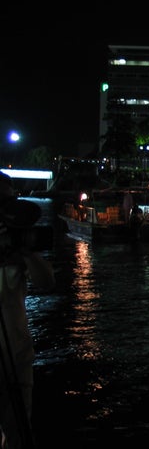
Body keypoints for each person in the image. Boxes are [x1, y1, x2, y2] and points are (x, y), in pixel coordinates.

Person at [0, 172, 55, 449]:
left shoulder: (17, 247)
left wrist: (24, 253)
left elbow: (47, 281)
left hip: (17, 360)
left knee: (19, 435)